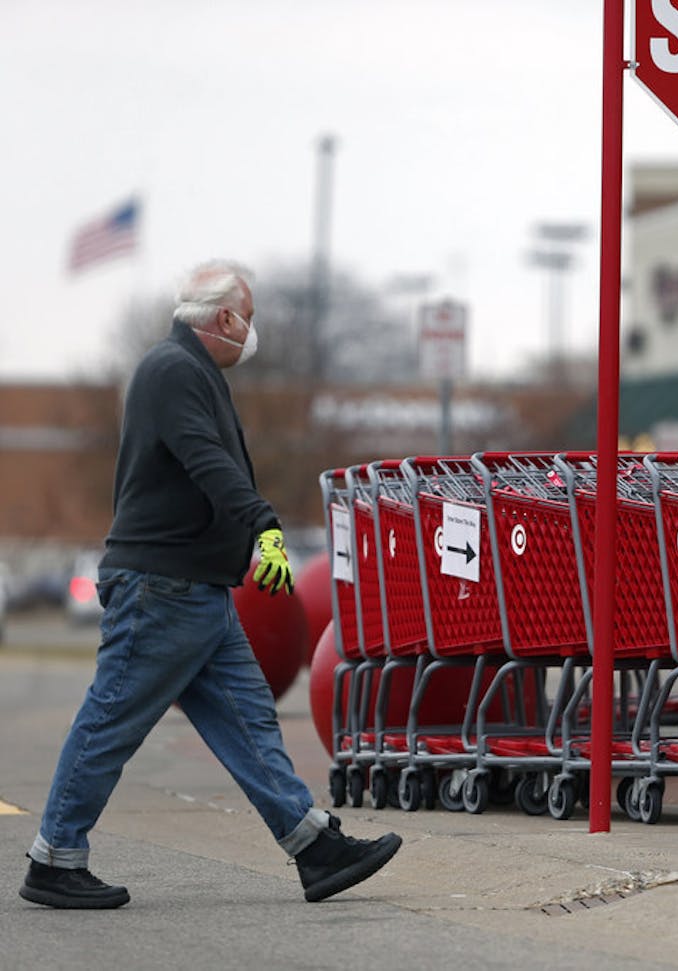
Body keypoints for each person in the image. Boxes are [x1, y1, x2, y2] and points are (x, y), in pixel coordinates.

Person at [20, 261, 401, 909]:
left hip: (196, 590)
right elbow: (205, 457)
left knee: (250, 719)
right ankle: (54, 858)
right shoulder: (173, 370)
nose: (252, 332)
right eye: (248, 317)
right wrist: (265, 525)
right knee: (111, 720)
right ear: (224, 318)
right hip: (159, 587)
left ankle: (314, 845)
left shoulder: (189, 372)